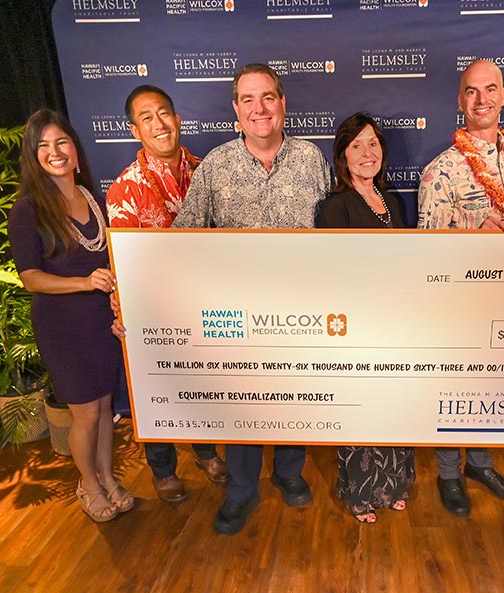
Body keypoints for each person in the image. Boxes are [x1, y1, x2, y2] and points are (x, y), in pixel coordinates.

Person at [172, 63, 332, 535]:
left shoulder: (312, 160)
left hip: (299, 312)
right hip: (236, 316)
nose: (259, 108)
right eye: (248, 100)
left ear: (283, 104)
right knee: (242, 402)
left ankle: (289, 472)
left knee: (293, 397)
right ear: (236, 111)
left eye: (268, 97)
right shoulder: (215, 167)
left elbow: (332, 237)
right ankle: (241, 488)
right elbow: (184, 237)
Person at [417, 59, 504, 517]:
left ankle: (481, 463)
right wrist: (470, 234)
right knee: (456, 389)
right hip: (460, 305)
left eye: (490, 89)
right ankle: (449, 471)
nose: (482, 99)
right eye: (472, 91)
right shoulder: (440, 171)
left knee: (494, 389)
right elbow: (428, 255)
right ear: (460, 100)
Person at [8, 109, 133, 522]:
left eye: (61, 142)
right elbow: (30, 278)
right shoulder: (28, 209)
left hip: (101, 323)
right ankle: (90, 485)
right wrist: (84, 283)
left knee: (103, 410)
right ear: (33, 157)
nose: (54, 151)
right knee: (85, 413)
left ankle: (108, 478)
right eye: (42, 146)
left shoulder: (97, 200)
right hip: (63, 328)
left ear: (75, 149)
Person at [106, 85, 227, 504]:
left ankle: (207, 451)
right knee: (158, 390)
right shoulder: (126, 188)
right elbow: (124, 261)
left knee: (204, 385)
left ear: (177, 119)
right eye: (146, 117)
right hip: (153, 308)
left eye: (164, 114)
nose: (158, 124)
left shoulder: (206, 170)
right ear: (134, 129)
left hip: (204, 303)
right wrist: (126, 307)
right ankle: (162, 469)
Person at [316, 112, 415, 523]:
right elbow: (335, 275)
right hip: (357, 328)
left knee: (393, 406)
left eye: (372, 143)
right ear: (342, 156)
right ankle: (359, 493)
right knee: (360, 408)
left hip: (397, 323)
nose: (366, 152)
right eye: (356, 145)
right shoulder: (334, 206)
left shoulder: (393, 201)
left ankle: (390, 485)